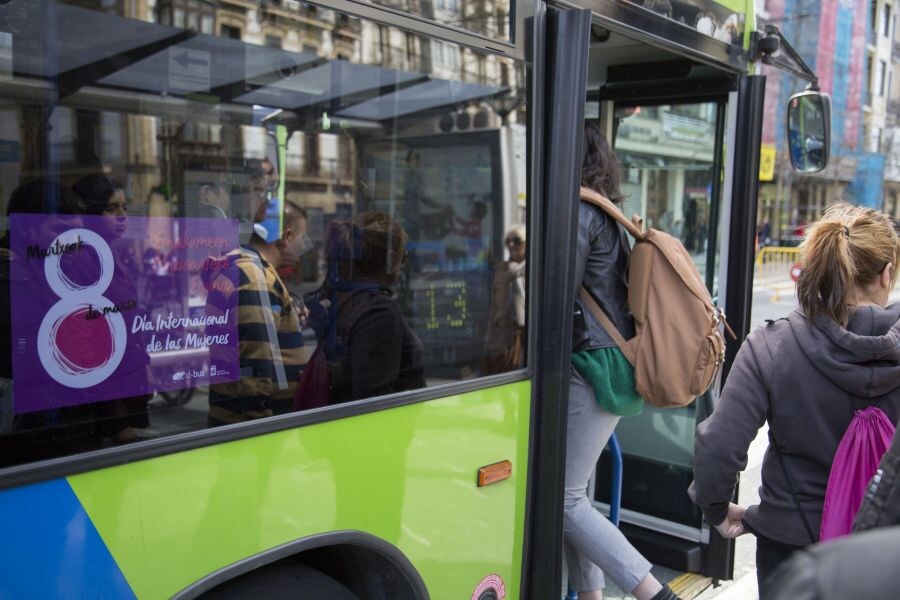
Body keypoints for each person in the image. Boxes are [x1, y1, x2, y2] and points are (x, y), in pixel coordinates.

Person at [688, 203, 900, 595]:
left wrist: (717, 509)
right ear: (887, 273)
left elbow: (718, 447)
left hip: (791, 545)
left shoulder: (772, 345)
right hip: (886, 553)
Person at [565, 122, 678, 600]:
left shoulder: (579, 213)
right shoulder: (607, 213)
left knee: (565, 500)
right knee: (576, 493)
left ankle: (654, 593)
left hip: (591, 367)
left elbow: (557, 292)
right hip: (612, 365)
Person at [206, 200, 311, 426]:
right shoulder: (254, 276)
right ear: (288, 236)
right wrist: (260, 425)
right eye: (303, 238)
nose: (303, 247)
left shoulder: (246, 269)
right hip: (249, 430)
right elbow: (254, 359)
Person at [305, 211, 425, 404]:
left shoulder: (341, 298)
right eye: (404, 257)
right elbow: (374, 400)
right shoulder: (378, 313)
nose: (402, 265)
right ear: (390, 259)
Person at [72, 174, 152, 444]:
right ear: (90, 212)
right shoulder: (81, 261)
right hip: (109, 411)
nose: (122, 215)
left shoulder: (111, 255)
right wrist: (117, 422)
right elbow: (88, 350)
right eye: (111, 208)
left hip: (130, 391)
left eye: (125, 207)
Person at [483, 224, 526, 374]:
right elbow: (495, 305)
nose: (512, 245)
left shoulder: (535, 268)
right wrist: (490, 336)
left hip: (529, 332)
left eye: (516, 240)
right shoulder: (503, 269)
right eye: (508, 241)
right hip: (508, 332)